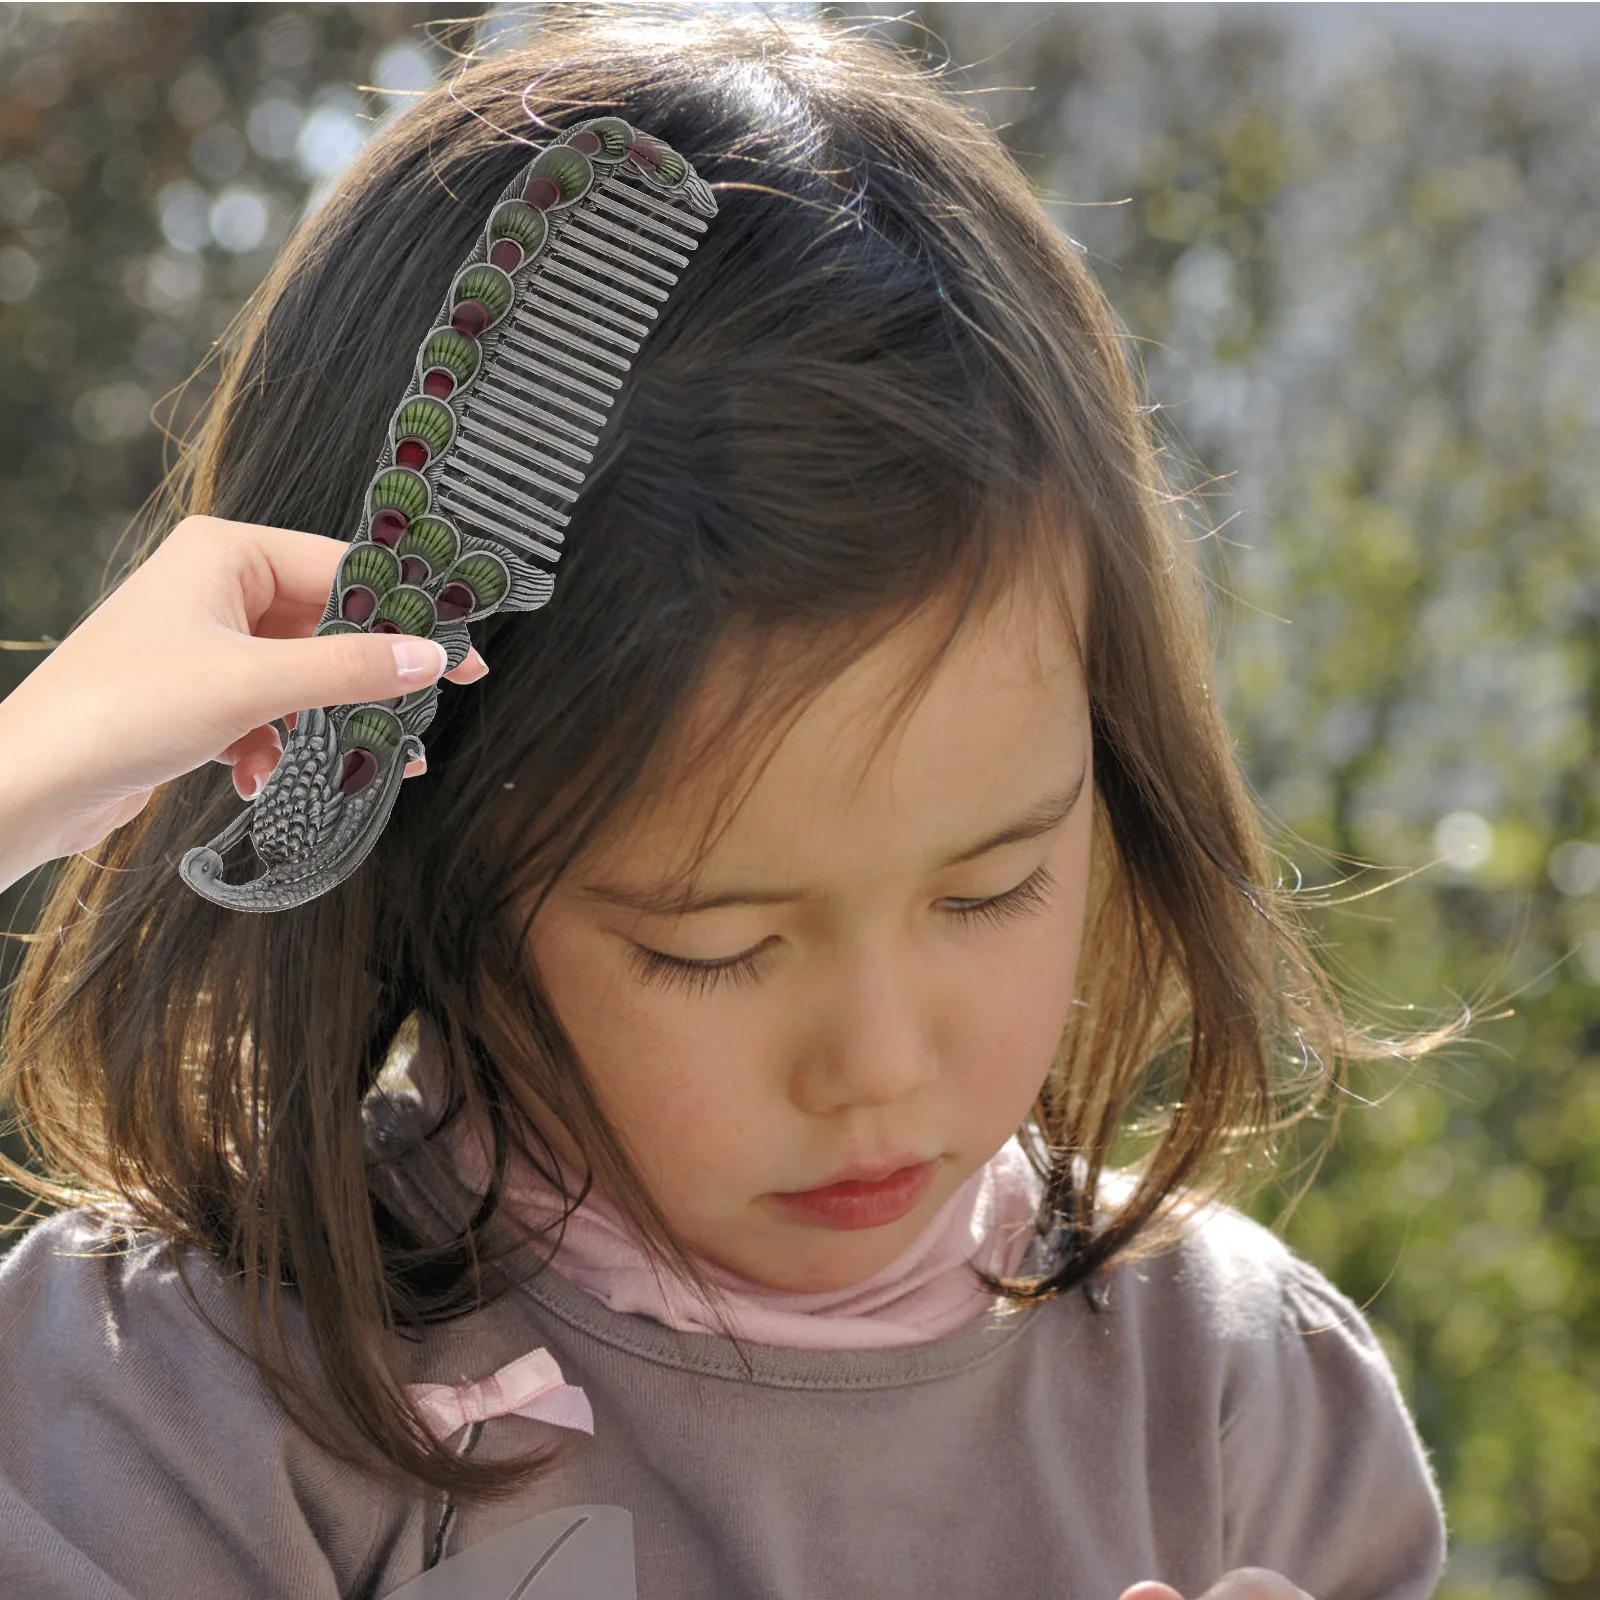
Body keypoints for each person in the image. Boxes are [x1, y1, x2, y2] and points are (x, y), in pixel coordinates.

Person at [0, 11, 1454, 1600]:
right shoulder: (169, 1405)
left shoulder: (1244, 1405)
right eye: (715, 944)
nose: (882, 1064)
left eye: (992, 890)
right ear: (430, 858)